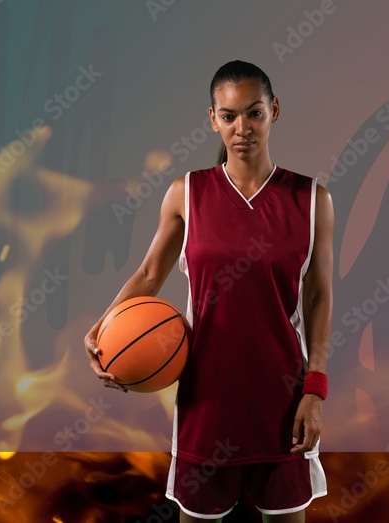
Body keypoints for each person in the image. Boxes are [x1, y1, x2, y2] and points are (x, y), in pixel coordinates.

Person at [84, 60, 333, 522]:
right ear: (213, 119)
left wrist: (315, 391)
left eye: (254, 113)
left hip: (283, 402)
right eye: (229, 115)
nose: (243, 128)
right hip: (206, 400)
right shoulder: (187, 193)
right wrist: (101, 329)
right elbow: (148, 274)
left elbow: (319, 298)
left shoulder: (312, 199)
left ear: (274, 110)